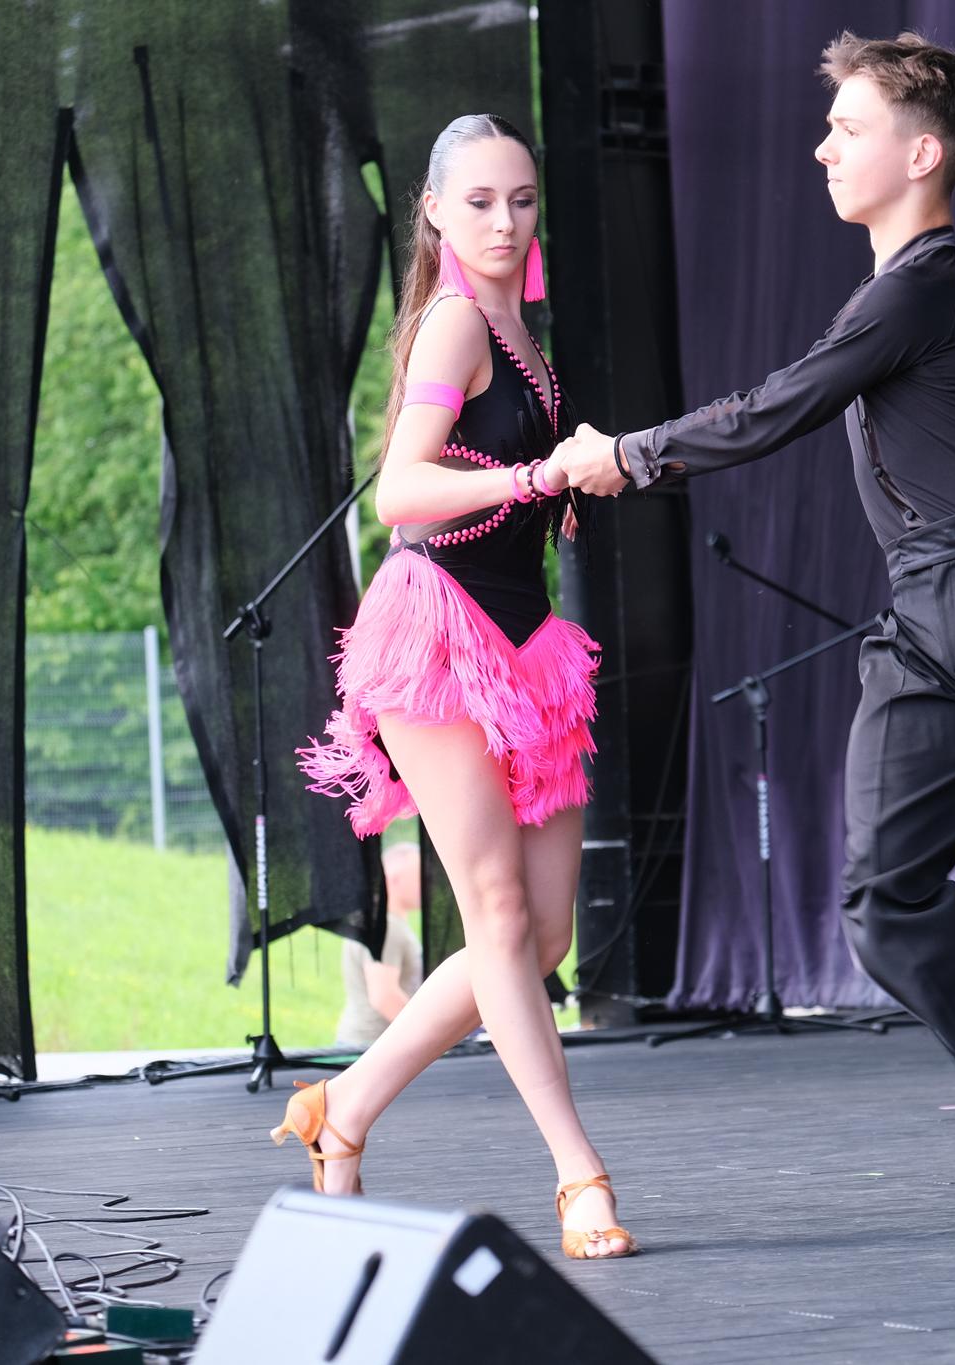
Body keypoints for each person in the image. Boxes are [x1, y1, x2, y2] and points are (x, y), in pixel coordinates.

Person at [550, 32, 955, 1264]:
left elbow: (777, 406)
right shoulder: (906, 300)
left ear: (920, 155)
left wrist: (626, 455)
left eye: (847, 128)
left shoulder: (921, 287)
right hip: (927, 605)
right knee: (880, 890)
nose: (821, 148)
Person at [289, 114, 637, 1260]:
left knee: (536, 940)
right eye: (480, 201)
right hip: (437, 631)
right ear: (434, 211)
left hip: (526, 640)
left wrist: (553, 491)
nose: (505, 221)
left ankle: (344, 1107)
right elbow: (399, 489)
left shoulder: (520, 332)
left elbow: (490, 473)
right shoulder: (452, 322)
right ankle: (578, 1174)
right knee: (493, 914)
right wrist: (534, 476)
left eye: (521, 200)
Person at [332, 843, 427, 1052]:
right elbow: (384, 996)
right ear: (393, 878)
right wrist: (430, 1035)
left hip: (366, 1046)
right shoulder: (387, 926)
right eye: (419, 876)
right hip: (370, 1048)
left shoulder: (379, 921)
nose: (426, 882)